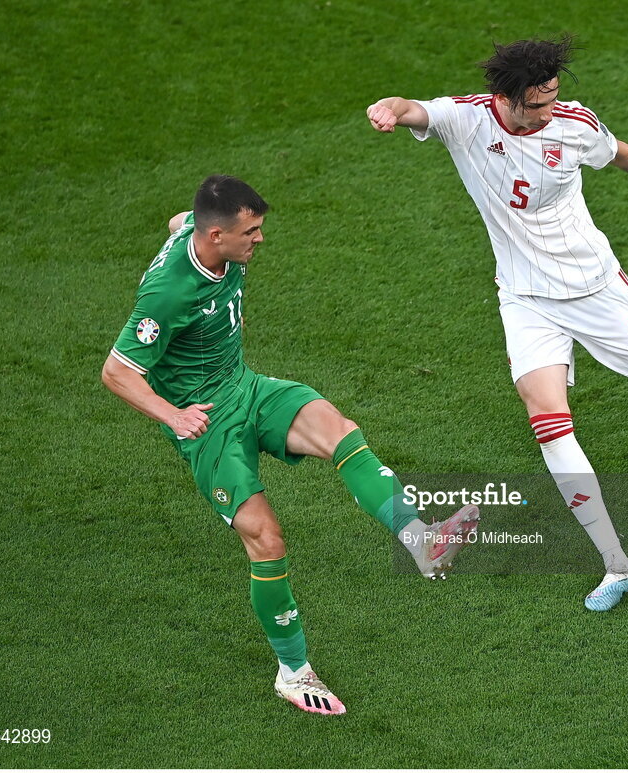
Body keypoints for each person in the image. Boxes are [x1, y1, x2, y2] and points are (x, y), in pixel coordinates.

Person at [366, 37, 628, 612]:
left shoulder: (574, 124)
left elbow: (622, 154)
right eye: (538, 104)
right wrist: (388, 108)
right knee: (548, 421)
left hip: (597, 289)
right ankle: (617, 565)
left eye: (555, 98)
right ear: (506, 98)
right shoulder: (467, 121)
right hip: (525, 298)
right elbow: (410, 108)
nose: (551, 111)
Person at [101, 175, 479, 716]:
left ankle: (420, 539)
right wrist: (173, 415)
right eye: (250, 233)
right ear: (215, 237)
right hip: (209, 423)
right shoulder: (168, 293)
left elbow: (178, 223)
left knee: (339, 430)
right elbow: (117, 372)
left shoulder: (197, 233)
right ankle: (293, 672)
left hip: (247, 387)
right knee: (267, 540)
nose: (259, 241)